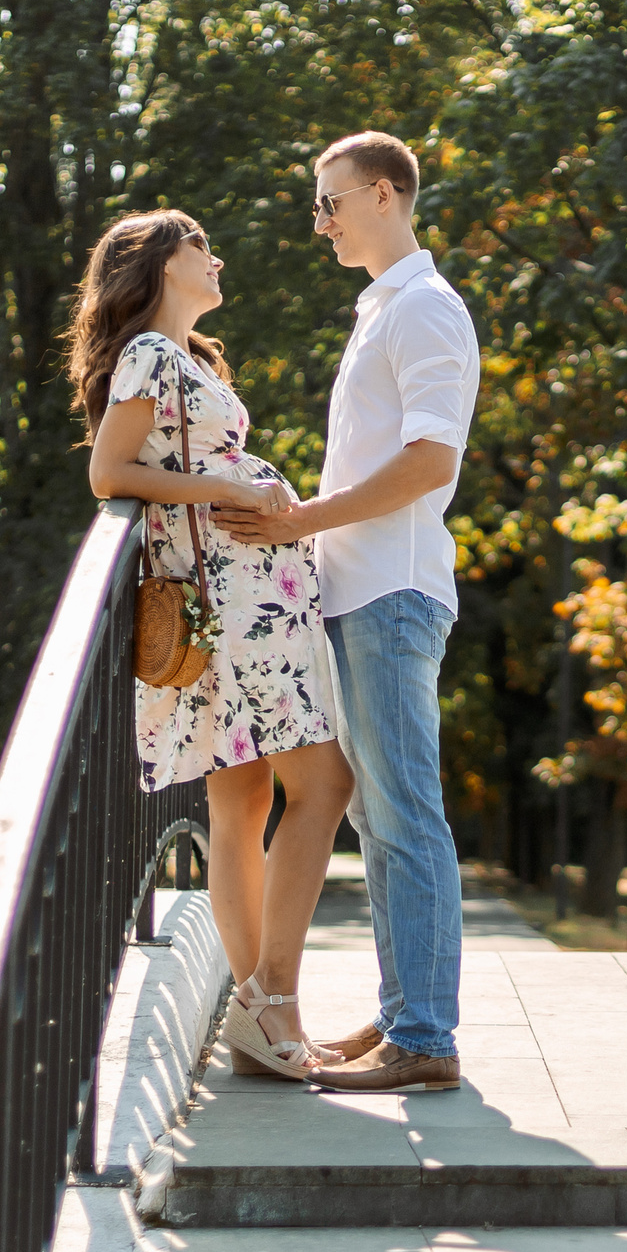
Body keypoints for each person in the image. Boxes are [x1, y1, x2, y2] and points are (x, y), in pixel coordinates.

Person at [214, 131, 476, 1093]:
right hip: (358, 592)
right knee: (383, 811)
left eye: (328, 202)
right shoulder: (384, 311)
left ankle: (425, 1036)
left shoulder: (425, 311)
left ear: (381, 195)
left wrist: (300, 522)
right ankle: (410, 1009)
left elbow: (429, 461)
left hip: (393, 594)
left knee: (406, 812)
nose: (318, 221)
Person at [72, 208, 356, 1081]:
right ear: (158, 264)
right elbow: (109, 473)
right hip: (233, 608)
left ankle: (267, 1017)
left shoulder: (182, 360)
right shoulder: (152, 357)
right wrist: (225, 486)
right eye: (202, 246)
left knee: (242, 804)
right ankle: (271, 1000)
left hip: (240, 598)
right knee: (326, 782)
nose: (218, 257)